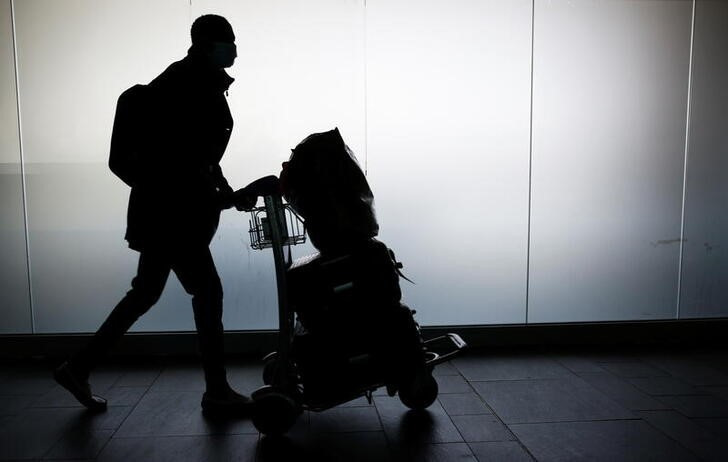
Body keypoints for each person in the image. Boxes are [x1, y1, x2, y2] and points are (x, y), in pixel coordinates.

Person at [54, 14, 255, 414]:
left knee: (145, 292)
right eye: (226, 40)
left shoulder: (191, 81)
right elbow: (184, 161)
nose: (233, 48)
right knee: (207, 291)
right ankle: (216, 390)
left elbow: (200, 160)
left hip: (164, 214)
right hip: (176, 217)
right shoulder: (188, 86)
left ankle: (78, 367)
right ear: (203, 43)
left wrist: (224, 192)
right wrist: (209, 194)